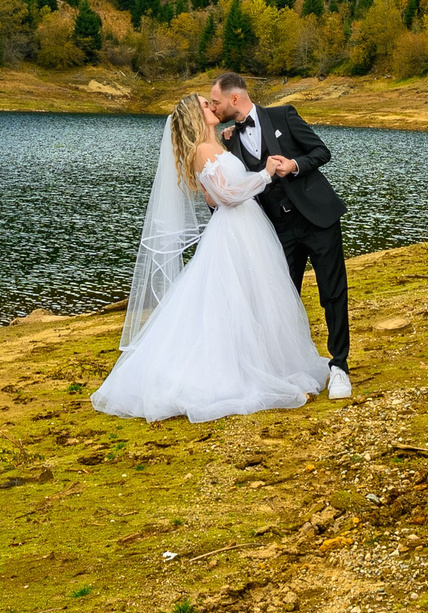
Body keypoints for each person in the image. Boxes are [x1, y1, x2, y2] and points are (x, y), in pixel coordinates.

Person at [90, 93, 330, 422]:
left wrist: (233, 152)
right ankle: (238, 374)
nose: (213, 107)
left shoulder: (214, 145)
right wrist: (265, 175)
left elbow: (215, 193)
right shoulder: (202, 151)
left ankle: (266, 365)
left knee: (255, 298)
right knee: (233, 301)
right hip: (233, 232)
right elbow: (225, 197)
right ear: (195, 116)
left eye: (211, 102)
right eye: (206, 105)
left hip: (247, 228)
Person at [204, 70, 352, 398]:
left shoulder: (283, 114)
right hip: (276, 229)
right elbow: (232, 187)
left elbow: (321, 152)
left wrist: (294, 165)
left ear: (234, 98)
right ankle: (287, 367)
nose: (213, 108)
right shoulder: (229, 140)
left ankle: (339, 366)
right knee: (281, 298)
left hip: (317, 217)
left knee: (332, 291)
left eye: (216, 102)